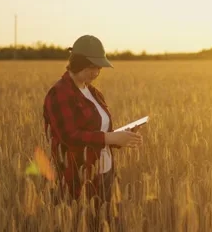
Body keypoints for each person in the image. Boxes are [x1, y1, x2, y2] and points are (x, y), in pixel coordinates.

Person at [42, 34, 143, 205]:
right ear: (78, 63)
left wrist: (122, 137)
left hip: (105, 173)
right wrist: (109, 138)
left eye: (99, 69)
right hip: (78, 181)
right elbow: (69, 136)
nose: (96, 73)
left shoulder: (94, 93)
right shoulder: (59, 93)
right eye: (92, 68)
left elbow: (101, 131)